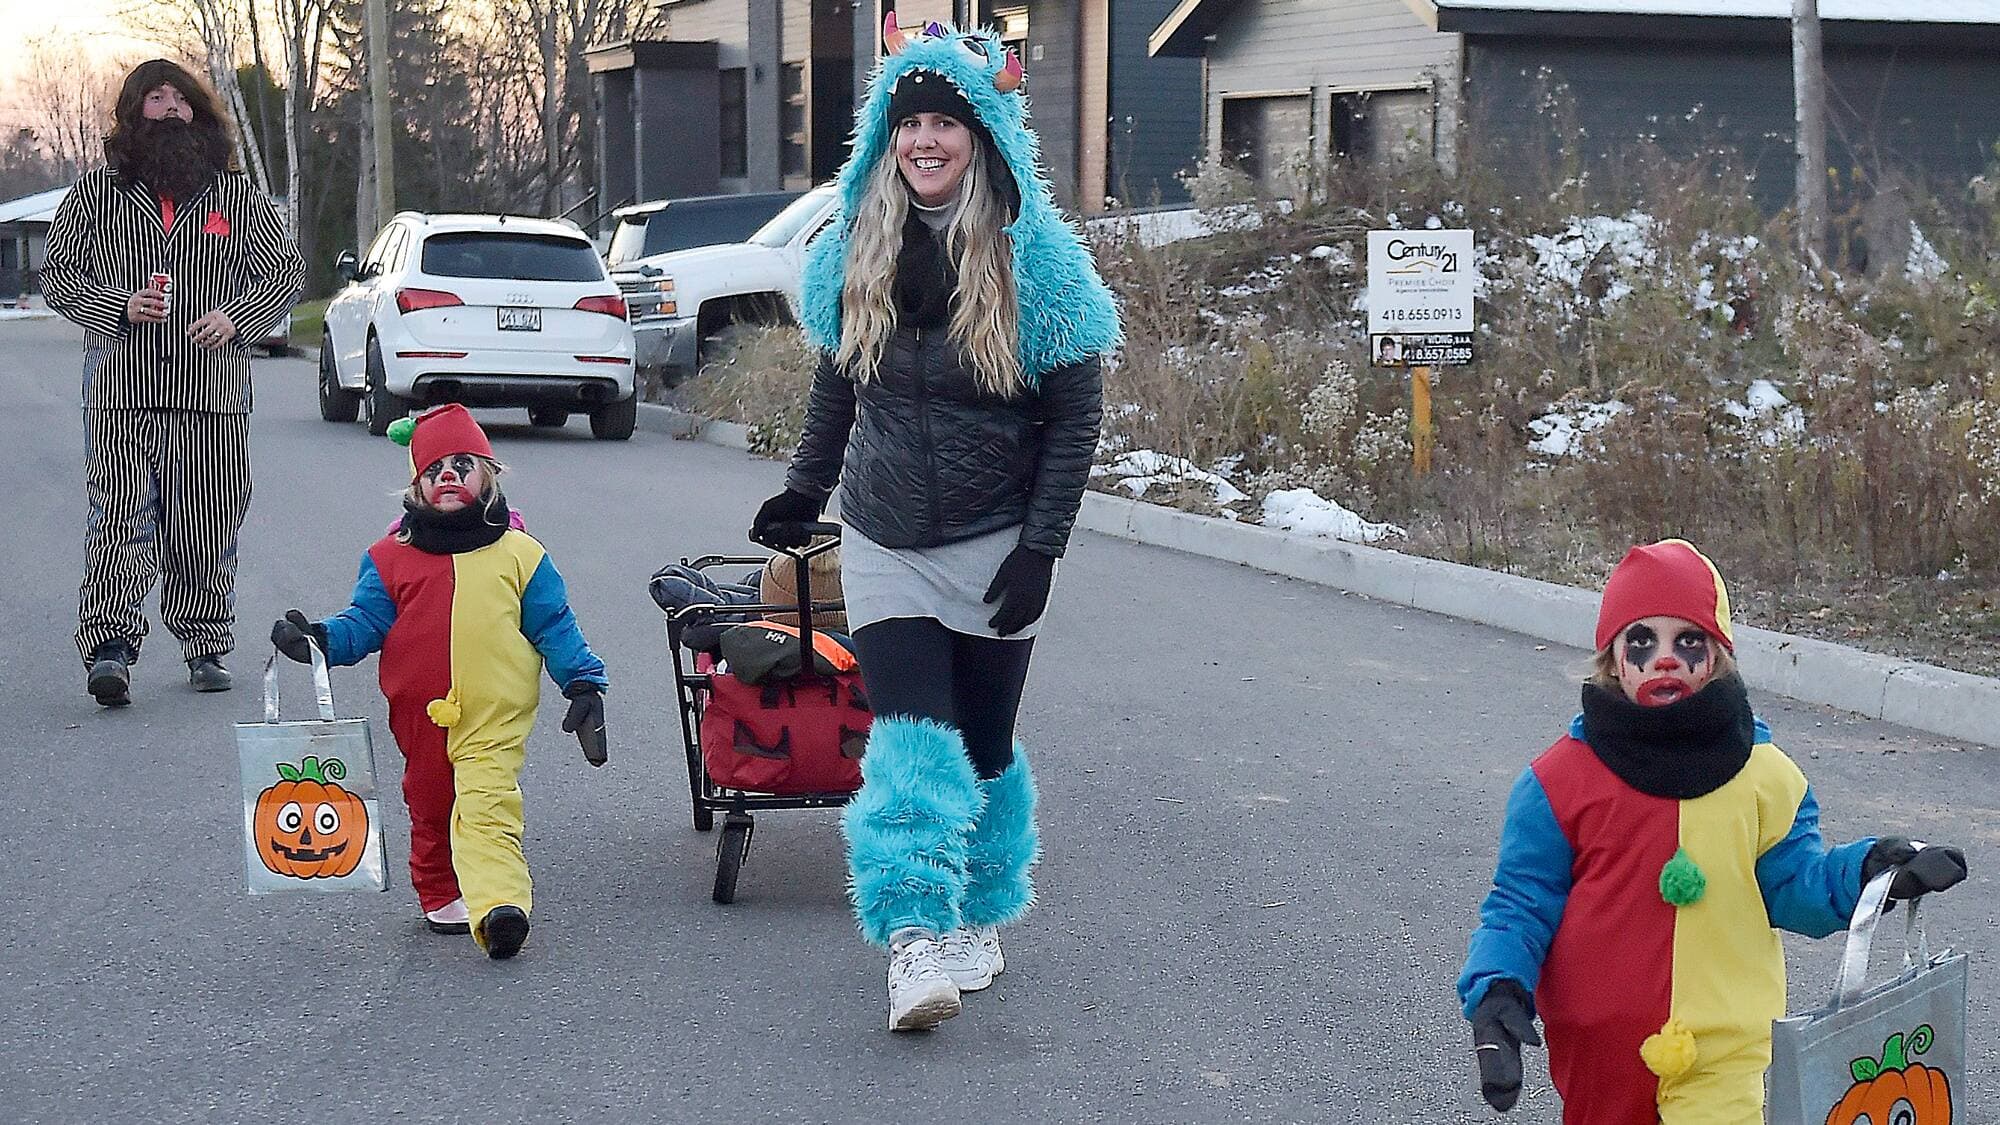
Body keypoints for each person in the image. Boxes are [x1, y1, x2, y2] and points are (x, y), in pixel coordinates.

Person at [748, 18, 1119, 1032]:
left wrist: (1042, 546)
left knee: (985, 746)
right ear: (885, 137)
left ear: (979, 136)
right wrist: (802, 492)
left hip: (996, 535)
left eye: (942, 124)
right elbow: (836, 386)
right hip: (881, 536)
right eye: (907, 122)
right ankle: (912, 939)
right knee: (911, 740)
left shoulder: (1032, 255)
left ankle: (978, 914)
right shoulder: (851, 243)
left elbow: (1072, 413)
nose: (923, 140)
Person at [1457, 539, 1969, 1123]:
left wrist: (1870, 872)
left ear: (1719, 655)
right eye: (1642, 641)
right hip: (1601, 1057)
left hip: (1725, 1055)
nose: (1665, 659)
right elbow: (1521, 902)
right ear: (1612, 659)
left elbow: (1794, 884)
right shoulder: (1557, 782)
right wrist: (1497, 990)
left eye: (1688, 641)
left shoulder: (1767, 777)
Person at [270, 404, 608, 958]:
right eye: (433, 471)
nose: (447, 477)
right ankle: (439, 888)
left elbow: (555, 626)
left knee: (487, 802)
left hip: (493, 716)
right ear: (416, 486)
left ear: (489, 477)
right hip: (419, 713)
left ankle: (501, 905)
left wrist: (584, 685)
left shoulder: (521, 556)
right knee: (429, 801)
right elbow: (365, 623)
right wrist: (321, 640)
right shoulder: (387, 559)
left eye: (461, 465)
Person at [42, 59, 305, 706]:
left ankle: (204, 643)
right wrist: (118, 306)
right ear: (133, 115)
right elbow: (58, 275)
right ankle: (110, 648)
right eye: (153, 98)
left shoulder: (236, 198)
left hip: (209, 393)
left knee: (205, 521)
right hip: (119, 388)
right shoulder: (95, 194)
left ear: (199, 111)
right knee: (118, 519)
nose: (168, 109)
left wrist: (234, 318)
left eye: (179, 98)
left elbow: (286, 275)